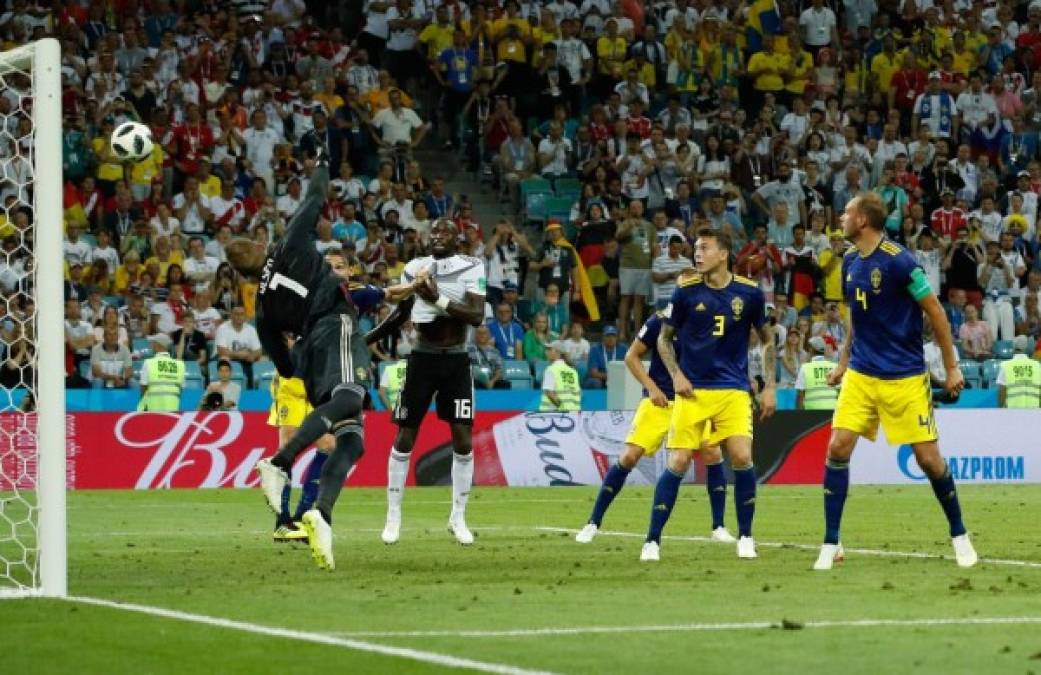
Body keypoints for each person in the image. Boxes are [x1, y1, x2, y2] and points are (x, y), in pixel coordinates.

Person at [231, 155, 419, 570]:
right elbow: (316, 195)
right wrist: (320, 159)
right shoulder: (290, 246)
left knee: (352, 440)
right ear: (259, 248)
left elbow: (282, 364)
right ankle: (280, 464)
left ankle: (320, 513)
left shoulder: (262, 309)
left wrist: (302, 356)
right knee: (351, 395)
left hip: (309, 355)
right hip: (335, 327)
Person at [814, 193, 976, 571]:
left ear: (864, 221)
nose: (841, 217)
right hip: (861, 374)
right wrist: (842, 361)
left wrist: (951, 368)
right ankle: (830, 542)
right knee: (837, 447)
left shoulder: (901, 262)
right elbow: (857, 315)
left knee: (928, 460)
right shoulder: (850, 261)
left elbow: (935, 311)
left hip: (904, 377)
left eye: (847, 212)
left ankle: (960, 534)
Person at [641, 227, 776, 562]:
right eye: (695, 249)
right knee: (679, 461)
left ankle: (745, 536)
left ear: (723, 253)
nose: (697, 254)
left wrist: (770, 385)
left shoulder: (750, 293)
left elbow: (768, 338)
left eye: (704, 248)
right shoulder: (685, 292)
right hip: (694, 392)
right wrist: (676, 375)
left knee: (742, 457)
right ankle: (652, 540)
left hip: (732, 390)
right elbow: (663, 338)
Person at [575, 298, 736, 545]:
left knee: (712, 451)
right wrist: (651, 388)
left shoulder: (707, 323)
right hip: (659, 402)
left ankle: (718, 526)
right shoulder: (660, 320)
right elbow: (631, 357)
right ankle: (593, 522)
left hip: (693, 404)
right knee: (629, 456)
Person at [377, 218, 487, 546]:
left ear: (458, 239)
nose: (437, 236)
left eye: (445, 233)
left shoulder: (472, 267)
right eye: (433, 232)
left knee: (463, 439)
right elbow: (401, 312)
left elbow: (476, 315)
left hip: (456, 359)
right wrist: (368, 338)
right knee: (406, 434)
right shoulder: (415, 268)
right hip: (422, 358)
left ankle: (458, 517)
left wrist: (438, 299)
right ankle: (393, 515)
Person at [267, 369, 336, 543]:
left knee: (328, 445)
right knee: (286, 450)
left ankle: (301, 517)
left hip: (316, 389)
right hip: (292, 387)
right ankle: (282, 521)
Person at [137, 334, 184, 411]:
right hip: (173, 409)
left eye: (153, 343)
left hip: (152, 409)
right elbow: (180, 389)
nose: (151, 345)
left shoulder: (149, 363)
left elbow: (143, 388)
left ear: (158, 345)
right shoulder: (180, 365)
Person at [996, 337, 1041, 408]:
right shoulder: (1037, 366)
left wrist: (1001, 408)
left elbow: (1002, 390)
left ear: (1013, 348)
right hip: (1034, 411)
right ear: (1027, 347)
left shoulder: (1005, 365)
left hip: (1013, 411)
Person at [795, 336, 838, 409]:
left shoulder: (805, 368)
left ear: (811, 350)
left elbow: (800, 395)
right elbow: (841, 392)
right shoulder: (835, 367)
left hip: (811, 413)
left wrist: (800, 415)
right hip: (833, 412)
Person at [539, 340, 581, 411]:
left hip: (552, 415)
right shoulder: (573, 371)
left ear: (558, 352)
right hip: (573, 413)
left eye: (550, 349)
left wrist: (561, 409)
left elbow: (549, 392)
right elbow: (578, 393)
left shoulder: (551, 369)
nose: (546, 352)